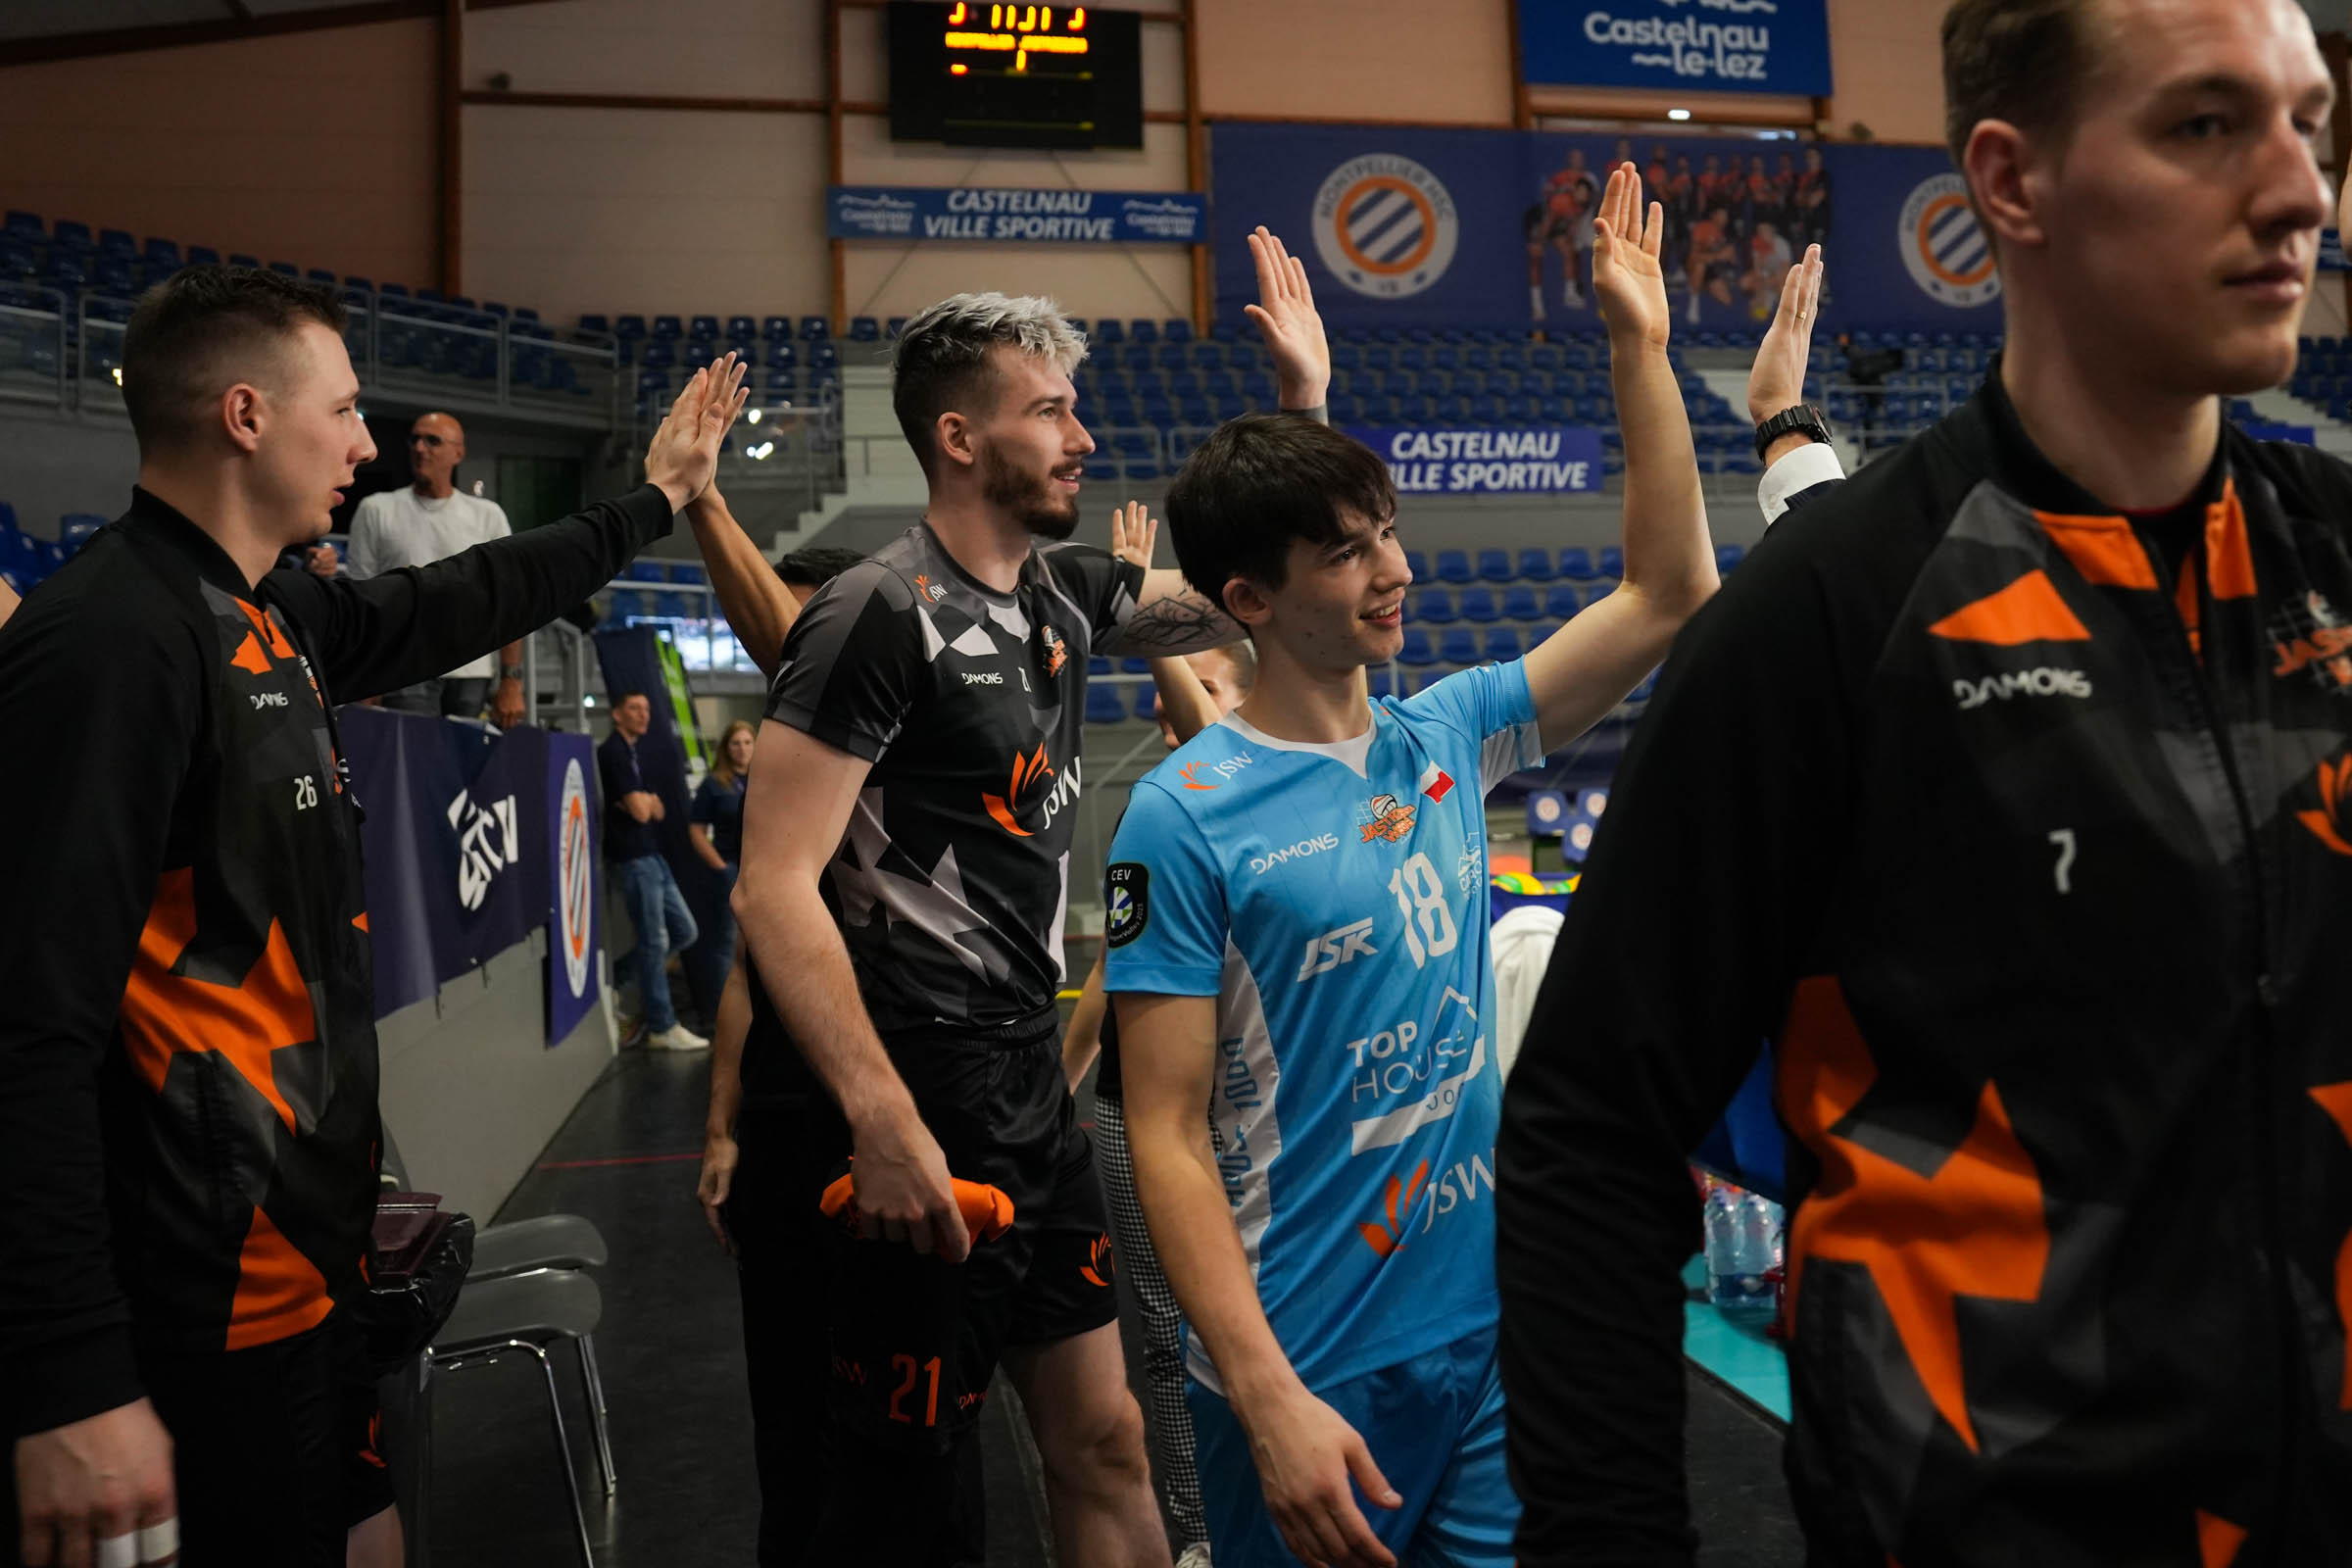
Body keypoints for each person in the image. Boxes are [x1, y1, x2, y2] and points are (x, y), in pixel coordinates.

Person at [1495, 2, 2352, 1564]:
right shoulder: (1839, 607)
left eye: (2308, 122)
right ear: (2014, 182)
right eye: (2208, 125)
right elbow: (1590, 1129)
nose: (2302, 190)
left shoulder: (2340, 560)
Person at [0, 265, 745, 1568]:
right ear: (245, 415)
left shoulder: (271, 613)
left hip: (313, 1263)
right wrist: (71, 1377)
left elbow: (472, 593)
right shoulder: (108, 645)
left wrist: (661, 499)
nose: (366, 445)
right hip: (201, 1306)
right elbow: (26, 1030)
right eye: (343, 410)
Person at [1105, 167, 1720, 1568]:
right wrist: (1263, 1393)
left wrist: (1638, 343)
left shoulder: (1448, 730)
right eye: (1346, 554)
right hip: (1304, 1362)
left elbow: (1670, 592)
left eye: (1385, 532)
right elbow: (1166, 1137)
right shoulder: (1182, 818)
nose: (1393, 570)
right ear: (1249, 602)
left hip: (1486, 1333)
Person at [725, 270, 1256, 1566]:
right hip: (920, 1082)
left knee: (1107, 1440)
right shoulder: (872, 613)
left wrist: (1300, 399)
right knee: (905, 1495)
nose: (1083, 436)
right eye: (1051, 411)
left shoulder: (1065, 592)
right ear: (960, 436)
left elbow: (1248, 597)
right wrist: (881, 1117)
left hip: (1027, 1083)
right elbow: (772, 884)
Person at [1060, 634, 1255, 1568]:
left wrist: (1160, 639)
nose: (1165, 712)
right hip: (1138, 1114)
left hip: (1253, 1112)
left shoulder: (1267, 802)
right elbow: (1114, 964)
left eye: (1201, 685)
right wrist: (1061, 1079)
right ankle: (1200, 1533)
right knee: (1172, 1335)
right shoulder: (1157, 814)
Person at [345, 412, 526, 728]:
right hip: (404, 667)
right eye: (414, 439)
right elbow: (360, 599)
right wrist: (365, 674)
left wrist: (511, 679)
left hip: (472, 670)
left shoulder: (488, 516)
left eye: (433, 441)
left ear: (458, 452)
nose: (419, 448)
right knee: (413, 759)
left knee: (465, 761)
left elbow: (508, 601)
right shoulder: (376, 510)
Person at [600, 689, 707, 1053]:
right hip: (633, 858)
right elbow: (644, 811)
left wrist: (643, 803)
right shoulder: (613, 752)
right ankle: (663, 1025)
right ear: (617, 714)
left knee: (684, 931)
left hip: (652, 856)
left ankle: (613, 982)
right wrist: (644, 803)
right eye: (634, 708)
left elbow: (656, 810)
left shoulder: (634, 754)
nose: (643, 714)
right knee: (654, 941)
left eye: (646, 708)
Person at [686, 719, 757, 1017]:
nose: (742, 749)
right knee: (726, 943)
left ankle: (752, 1014)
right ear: (727, 748)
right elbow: (696, 830)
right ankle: (721, 1016)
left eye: (747, 742)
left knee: (757, 943)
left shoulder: (763, 780)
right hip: (729, 871)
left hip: (760, 873)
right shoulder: (714, 784)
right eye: (735, 743)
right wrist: (720, 866)